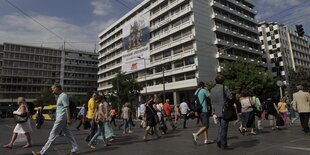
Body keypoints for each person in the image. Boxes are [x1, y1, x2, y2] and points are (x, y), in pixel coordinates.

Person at [32, 84, 78, 155]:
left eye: (53, 90)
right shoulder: (60, 96)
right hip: (62, 118)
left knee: (52, 135)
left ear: (57, 88)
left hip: (61, 118)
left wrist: (69, 119)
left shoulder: (63, 96)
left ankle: (41, 152)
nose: (53, 92)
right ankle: (74, 149)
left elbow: (67, 108)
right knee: (69, 134)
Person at [211, 74, 232, 149]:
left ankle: (219, 140)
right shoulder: (224, 88)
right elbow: (230, 97)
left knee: (220, 126)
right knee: (224, 128)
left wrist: (213, 111)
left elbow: (212, 102)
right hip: (224, 111)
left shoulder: (212, 89)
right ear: (223, 81)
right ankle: (223, 144)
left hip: (217, 111)